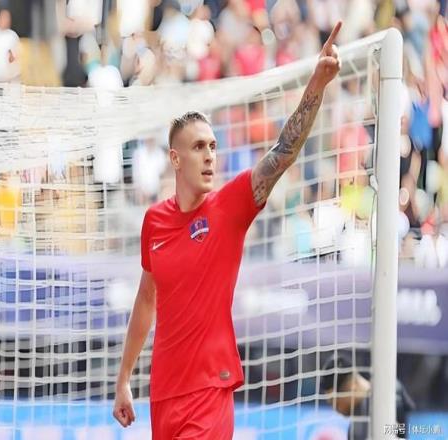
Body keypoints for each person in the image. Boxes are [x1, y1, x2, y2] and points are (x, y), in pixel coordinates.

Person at [113, 21, 343, 440]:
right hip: (163, 395)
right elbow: (146, 299)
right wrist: (124, 378)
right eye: (198, 147)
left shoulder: (229, 205)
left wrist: (317, 84)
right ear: (175, 159)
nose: (209, 156)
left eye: (213, 146)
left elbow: (283, 152)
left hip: (210, 392)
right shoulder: (154, 221)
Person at [321, 353, 415, 440]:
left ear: (351, 386)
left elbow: (402, 426)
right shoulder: (355, 426)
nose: (335, 408)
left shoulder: (387, 394)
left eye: (335, 402)